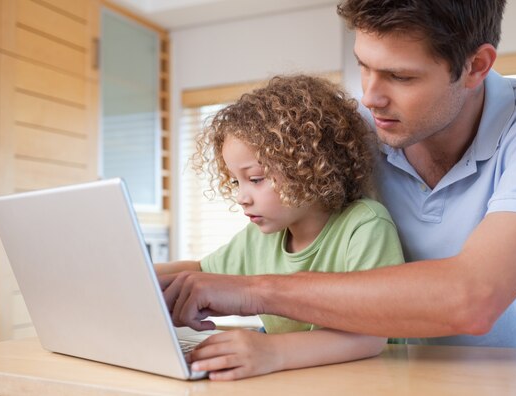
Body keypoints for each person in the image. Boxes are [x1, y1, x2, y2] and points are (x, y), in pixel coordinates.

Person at [161, 0, 516, 350]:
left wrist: (253, 292)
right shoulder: (358, 133)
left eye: (400, 76)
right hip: (403, 377)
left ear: (476, 66)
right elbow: (231, 259)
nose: (370, 97)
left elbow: (473, 299)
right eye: (363, 65)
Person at [157, 74, 405, 380]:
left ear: (310, 165)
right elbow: (200, 272)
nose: (241, 197)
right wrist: (140, 274)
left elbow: (371, 336)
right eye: (236, 181)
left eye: (256, 178)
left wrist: (271, 351)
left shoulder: (364, 225)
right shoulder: (259, 238)